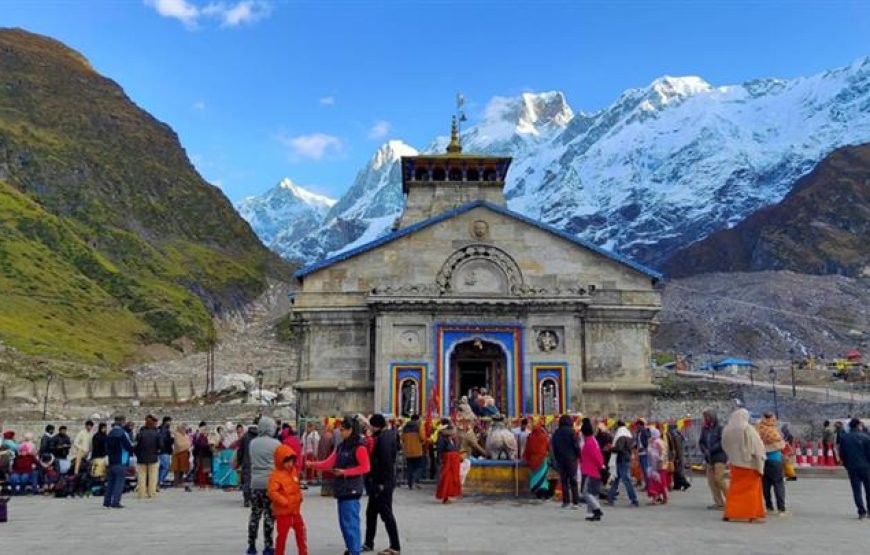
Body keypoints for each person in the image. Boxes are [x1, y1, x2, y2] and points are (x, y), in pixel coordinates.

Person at [308, 416, 371, 555]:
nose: (340, 432)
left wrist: (345, 472)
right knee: (344, 523)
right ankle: (351, 548)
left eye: (342, 430)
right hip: (342, 488)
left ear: (350, 430)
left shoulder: (359, 447)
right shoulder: (341, 446)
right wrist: (313, 465)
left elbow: (365, 467)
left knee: (350, 523)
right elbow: (329, 462)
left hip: (352, 488)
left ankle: (355, 550)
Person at [364, 414, 401, 555]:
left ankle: (395, 546)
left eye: (371, 425)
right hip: (379, 481)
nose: (369, 428)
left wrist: (381, 483)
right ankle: (368, 542)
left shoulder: (384, 439)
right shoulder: (388, 435)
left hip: (382, 482)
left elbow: (385, 462)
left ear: (376, 426)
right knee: (371, 513)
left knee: (386, 514)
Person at [722, 408, 767, 522]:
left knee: (735, 489)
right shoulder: (747, 429)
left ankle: (731, 513)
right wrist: (761, 460)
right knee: (752, 490)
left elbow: (724, 445)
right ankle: (752, 514)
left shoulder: (727, 429)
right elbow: (757, 447)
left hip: (735, 464)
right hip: (749, 465)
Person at [248, 416, 281, 555]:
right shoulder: (276, 444)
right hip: (270, 483)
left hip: (255, 483)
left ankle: (251, 545)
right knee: (269, 515)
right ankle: (268, 546)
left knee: (255, 515)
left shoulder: (253, 443)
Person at [268, 444, 308, 555]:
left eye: (291, 461)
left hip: (295, 511)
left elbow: (296, 486)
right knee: (282, 536)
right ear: (280, 461)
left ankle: (303, 553)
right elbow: (272, 492)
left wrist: (300, 496)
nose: (290, 464)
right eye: (287, 462)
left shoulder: (293, 471)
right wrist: (283, 501)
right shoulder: (275, 475)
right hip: (283, 512)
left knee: (301, 532)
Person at [756, 412, 789, 516]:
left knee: (766, 484)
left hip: (763, 459)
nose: (775, 421)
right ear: (769, 419)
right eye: (774, 419)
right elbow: (781, 444)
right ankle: (781, 508)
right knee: (778, 484)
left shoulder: (757, 429)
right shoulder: (771, 430)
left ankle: (769, 506)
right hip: (774, 459)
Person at [838, 418, 870, 519]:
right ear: (858, 425)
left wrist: (847, 465)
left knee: (856, 490)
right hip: (866, 467)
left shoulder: (844, 438)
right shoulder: (866, 437)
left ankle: (861, 511)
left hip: (852, 467)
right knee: (868, 489)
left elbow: (842, 454)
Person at [699, 408, 728, 510]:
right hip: (708, 458)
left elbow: (722, 442)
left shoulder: (720, 428)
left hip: (719, 456)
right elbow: (701, 441)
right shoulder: (704, 429)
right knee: (711, 481)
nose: (706, 418)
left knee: (718, 479)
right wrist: (704, 450)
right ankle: (719, 502)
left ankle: (730, 499)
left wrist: (711, 449)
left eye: (707, 416)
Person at [104, 415, 134, 509]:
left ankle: (107, 501)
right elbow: (128, 446)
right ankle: (116, 502)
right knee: (119, 482)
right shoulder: (122, 433)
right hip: (121, 460)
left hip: (111, 460)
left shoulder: (110, 433)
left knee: (111, 482)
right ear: (122, 422)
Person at [551, 414, 581, 509]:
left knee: (564, 481)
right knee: (573, 481)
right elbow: (576, 446)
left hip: (561, 459)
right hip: (571, 459)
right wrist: (578, 455)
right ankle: (575, 502)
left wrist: (556, 457)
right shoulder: (572, 432)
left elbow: (554, 446)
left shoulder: (556, 433)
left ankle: (566, 501)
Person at [607, 421, 639, 506]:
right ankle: (610, 497)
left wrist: (611, 448)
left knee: (626, 480)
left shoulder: (621, 435)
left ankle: (634, 499)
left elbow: (619, 448)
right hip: (626, 458)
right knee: (616, 479)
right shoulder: (628, 434)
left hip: (621, 459)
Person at [580, 419, 605, 521]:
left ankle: (597, 509)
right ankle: (591, 513)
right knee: (592, 493)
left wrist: (601, 466)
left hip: (591, 470)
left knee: (586, 492)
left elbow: (596, 456)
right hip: (594, 469)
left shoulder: (589, 443)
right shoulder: (593, 441)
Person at [135, 414, 162, 499]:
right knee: (153, 476)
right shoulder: (157, 434)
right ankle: (151, 493)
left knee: (141, 476)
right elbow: (161, 446)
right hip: (153, 457)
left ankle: (141, 493)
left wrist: (138, 454)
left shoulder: (140, 433)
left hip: (141, 458)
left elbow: (136, 446)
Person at [523, 422, 553, 500]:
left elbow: (527, 450)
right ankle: (544, 493)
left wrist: (526, 457)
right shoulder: (544, 437)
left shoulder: (530, 437)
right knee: (543, 478)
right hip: (542, 461)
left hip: (532, 461)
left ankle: (536, 493)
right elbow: (549, 448)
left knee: (534, 477)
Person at [435, 422, 462, 504]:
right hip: (448, 459)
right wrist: (439, 459)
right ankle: (445, 496)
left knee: (453, 478)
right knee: (446, 478)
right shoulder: (442, 438)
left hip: (454, 459)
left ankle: (450, 494)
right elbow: (440, 450)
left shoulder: (452, 439)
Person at [400, 415, 425, 490]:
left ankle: (410, 483)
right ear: (417, 419)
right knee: (419, 466)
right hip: (417, 449)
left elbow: (402, 438)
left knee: (410, 467)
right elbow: (422, 437)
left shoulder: (405, 427)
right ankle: (415, 479)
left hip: (408, 450)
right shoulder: (419, 426)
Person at [646, 427, 669, 505]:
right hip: (662, 465)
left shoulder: (655, 442)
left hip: (656, 465)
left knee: (655, 482)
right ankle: (665, 498)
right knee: (662, 482)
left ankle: (655, 499)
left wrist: (659, 459)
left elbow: (657, 453)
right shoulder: (661, 441)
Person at [237, 421, 258, 506]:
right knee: (255, 481)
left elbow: (240, 451)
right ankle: (254, 498)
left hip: (246, 462)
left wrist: (239, 461)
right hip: (257, 462)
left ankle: (246, 499)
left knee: (247, 480)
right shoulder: (259, 437)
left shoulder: (244, 437)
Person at [667, 425, 690, 491]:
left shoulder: (675, 435)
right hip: (677, 455)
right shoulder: (676, 434)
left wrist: (677, 458)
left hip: (677, 456)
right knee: (675, 471)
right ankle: (677, 485)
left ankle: (685, 483)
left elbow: (678, 448)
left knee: (677, 471)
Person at [171, 423, 192, 491]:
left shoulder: (185, 435)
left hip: (185, 455)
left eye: (184, 428)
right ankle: (176, 483)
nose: (183, 429)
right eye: (182, 428)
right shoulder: (177, 435)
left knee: (182, 470)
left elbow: (189, 443)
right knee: (177, 470)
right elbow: (179, 444)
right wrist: (187, 446)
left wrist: (187, 446)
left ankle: (180, 482)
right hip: (178, 454)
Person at [317, 424, 336, 497]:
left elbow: (319, 448)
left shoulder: (323, 437)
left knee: (325, 475)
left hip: (323, 458)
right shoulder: (331, 437)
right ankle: (330, 490)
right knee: (330, 475)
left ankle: (324, 490)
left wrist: (319, 457)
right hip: (329, 457)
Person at [193, 421, 213, 488]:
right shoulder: (200, 436)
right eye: (205, 430)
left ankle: (205, 481)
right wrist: (208, 445)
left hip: (207, 454)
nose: (206, 432)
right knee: (202, 469)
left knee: (206, 469)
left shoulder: (206, 437)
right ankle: (201, 482)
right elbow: (200, 445)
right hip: (202, 454)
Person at [158, 416, 174, 488]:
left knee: (162, 467)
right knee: (166, 467)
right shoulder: (164, 429)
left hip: (163, 450)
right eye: (170, 421)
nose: (170, 423)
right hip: (164, 450)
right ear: (166, 421)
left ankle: (158, 481)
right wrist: (172, 439)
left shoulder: (162, 428)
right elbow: (165, 440)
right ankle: (160, 481)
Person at [635, 419, 650, 489]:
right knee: (643, 470)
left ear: (641, 425)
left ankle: (649, 485)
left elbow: (648, 440)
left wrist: (645, 448)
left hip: (645, 453)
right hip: (640, 453)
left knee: (646, 470)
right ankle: (646, 484)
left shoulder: (645, 431)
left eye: (638, 426)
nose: (637, 427)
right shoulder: (639, 432)